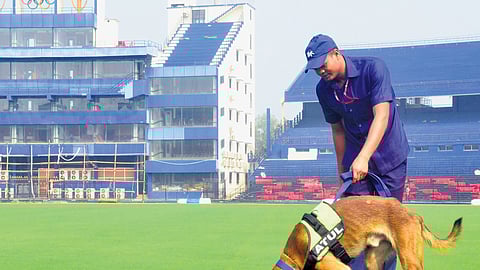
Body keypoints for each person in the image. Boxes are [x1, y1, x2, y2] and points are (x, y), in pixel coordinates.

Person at [304, 34, 410, 270]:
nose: (321, 71)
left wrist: (364, 156)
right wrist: (342, 170)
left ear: (336, 52)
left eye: (323, 64)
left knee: (387, 229)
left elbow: (382, 115)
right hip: (356, 167)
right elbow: (338, 130)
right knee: (353, 228)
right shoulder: (323, 91)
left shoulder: (373, 69)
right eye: (315, 68)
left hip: (390, 159)